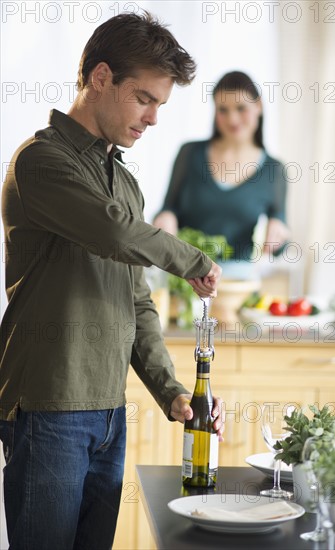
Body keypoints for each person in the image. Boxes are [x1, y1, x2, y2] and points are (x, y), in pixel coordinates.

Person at [0, 12, 223, 550]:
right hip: (50, 407)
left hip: (108, 412)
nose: (151, 118)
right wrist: (194, 260)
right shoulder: (41, 161)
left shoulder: (124, 181)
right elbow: (113, 232)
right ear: (101, 77)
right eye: (144, 99)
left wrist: (171, 392)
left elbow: (136, 299)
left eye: (160, 106)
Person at [153, 71, 290, 279]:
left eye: (241, 108)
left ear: (259, 106)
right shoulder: (190, 153)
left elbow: (280, 237)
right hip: (185, 273)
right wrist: (165, 218)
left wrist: (279, 234)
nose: (232, 118)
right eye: (223, 110)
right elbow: (168, 208)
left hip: (237, 280)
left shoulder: (275, 170)